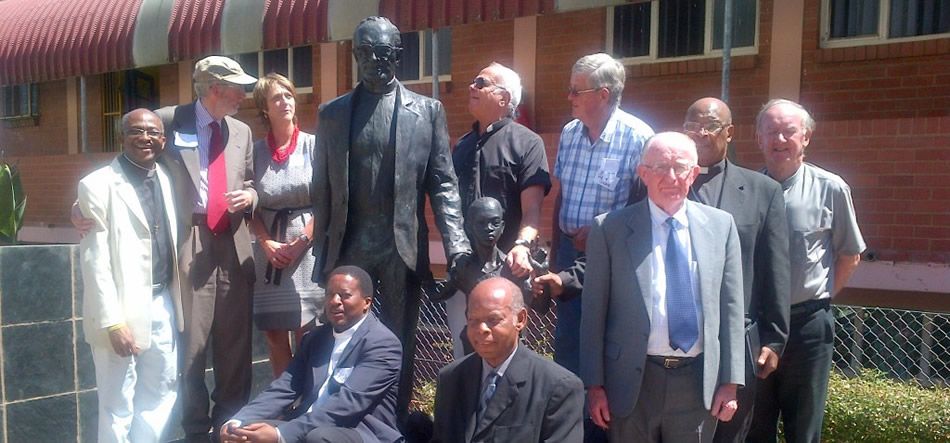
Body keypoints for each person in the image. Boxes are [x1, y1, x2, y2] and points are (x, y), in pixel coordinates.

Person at [310, 16, 472, 416]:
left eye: (382, 53)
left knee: (400, 340)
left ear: (398, 56)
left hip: (401, 247)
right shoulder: (332, 115)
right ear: (354, 56)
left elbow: (444, 184)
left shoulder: (427, 111)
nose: (373, 60)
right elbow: (321, 190)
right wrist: (320, 253)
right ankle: (345, 417)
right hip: (350, 245)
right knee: (345, 338)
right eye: (364, 52)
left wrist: (458, 249)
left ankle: (394, 420)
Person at [624, 97, 791, 442]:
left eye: (710, 125)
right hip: (669, 349)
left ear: (729, 132)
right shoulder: (655, 184)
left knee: (729, 435)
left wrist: (775, 337)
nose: (700, 132)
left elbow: (774, 267)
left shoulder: (763, 192)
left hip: (734, 340)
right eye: (692, 125)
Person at [581, 132, 744, 442]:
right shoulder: (610, 229)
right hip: (631, 383)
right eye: (659, 168)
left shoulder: (721, 226)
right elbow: (593, 313)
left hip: (696, 385)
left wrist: (731, 381)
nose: (671, 177)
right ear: (643, 174)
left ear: (694, 173)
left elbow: (732, 309)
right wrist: (594, 385)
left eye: (680, 167)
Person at [749, 99, 866, 443]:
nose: (780, 139)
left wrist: (819, 298)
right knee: (754, 427)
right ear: (758, 138)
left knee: (804, 428)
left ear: (806, 137)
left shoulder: (831, 188)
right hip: (757, 325)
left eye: (789, 131)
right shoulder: (748, 189)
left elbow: (850, 255)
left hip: (807, 326)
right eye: (771, 131)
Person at [155, 56, 259, 442]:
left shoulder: (242, 132)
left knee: (235, 342)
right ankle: (196, 429)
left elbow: (251, 182)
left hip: (233, 242)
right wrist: (86, 203)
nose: (243, 97)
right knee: (191, 342)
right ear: (216, 88)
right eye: (239, 89)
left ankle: (229, 424)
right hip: (190, 239)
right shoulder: (167, 120)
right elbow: (133, 165)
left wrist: (249, 195)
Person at [78, 108, 183, 442]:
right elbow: (95, 261)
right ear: (122, 136)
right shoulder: (96, 185)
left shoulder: (164, 178)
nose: (146, 138)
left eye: (153, 132)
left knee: (162, 391)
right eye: (137, 131)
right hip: (119, 311)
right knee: (116, 402)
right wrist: (113, 322)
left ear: (163, 140)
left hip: (162, 302)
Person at [551, 52, 654, 377]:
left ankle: (601, 423)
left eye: (575, 91)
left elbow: (645, 210)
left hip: (613, 256)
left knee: (603, 345)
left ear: (603, 94)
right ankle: (568, 421)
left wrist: (602, 232)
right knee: (568, 344)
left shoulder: (638, 137)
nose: (568, 97)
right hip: (570, 253)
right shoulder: (569, 133)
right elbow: (562, 195)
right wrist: (557, 255)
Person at [221, 266, 403, 443]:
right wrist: (238, 421)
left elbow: (347, 404)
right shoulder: (316, 338)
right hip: (308, 425)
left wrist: (280, 435)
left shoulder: (382, 344)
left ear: (367, 302)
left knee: (317, 437)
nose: (334, 301)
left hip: (359, 432)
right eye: (329, 294)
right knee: (244, 432)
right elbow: (285, 387)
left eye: (344, 295)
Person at [446, 62, 551, 359]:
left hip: (505, 272)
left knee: (504, 356)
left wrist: (521, 246)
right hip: (464, 270)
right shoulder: (463, 146)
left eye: (481, 83)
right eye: (473, 81)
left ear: (504, 98)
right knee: (464, 355)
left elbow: (533, 209)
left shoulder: (527, 143)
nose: (472, 87)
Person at [432, 277, 584, 443]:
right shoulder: (451, 378)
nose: (481, 329)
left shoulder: (558, 387)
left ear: (520, 320)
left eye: (493, 319)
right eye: (473, 320)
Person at [249, 73, 324, 378]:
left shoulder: (314, 146)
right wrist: (266, 244)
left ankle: (307, 404)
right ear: (264, 108)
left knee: (306, 331)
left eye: (289, 95)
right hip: (269, 253)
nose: (285, 102)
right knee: (274, 333)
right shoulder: (254, 152)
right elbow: (249, 205)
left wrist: (301, 243)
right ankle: (283, 403)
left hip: (308, 247)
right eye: (277, 97)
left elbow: (326, 201)